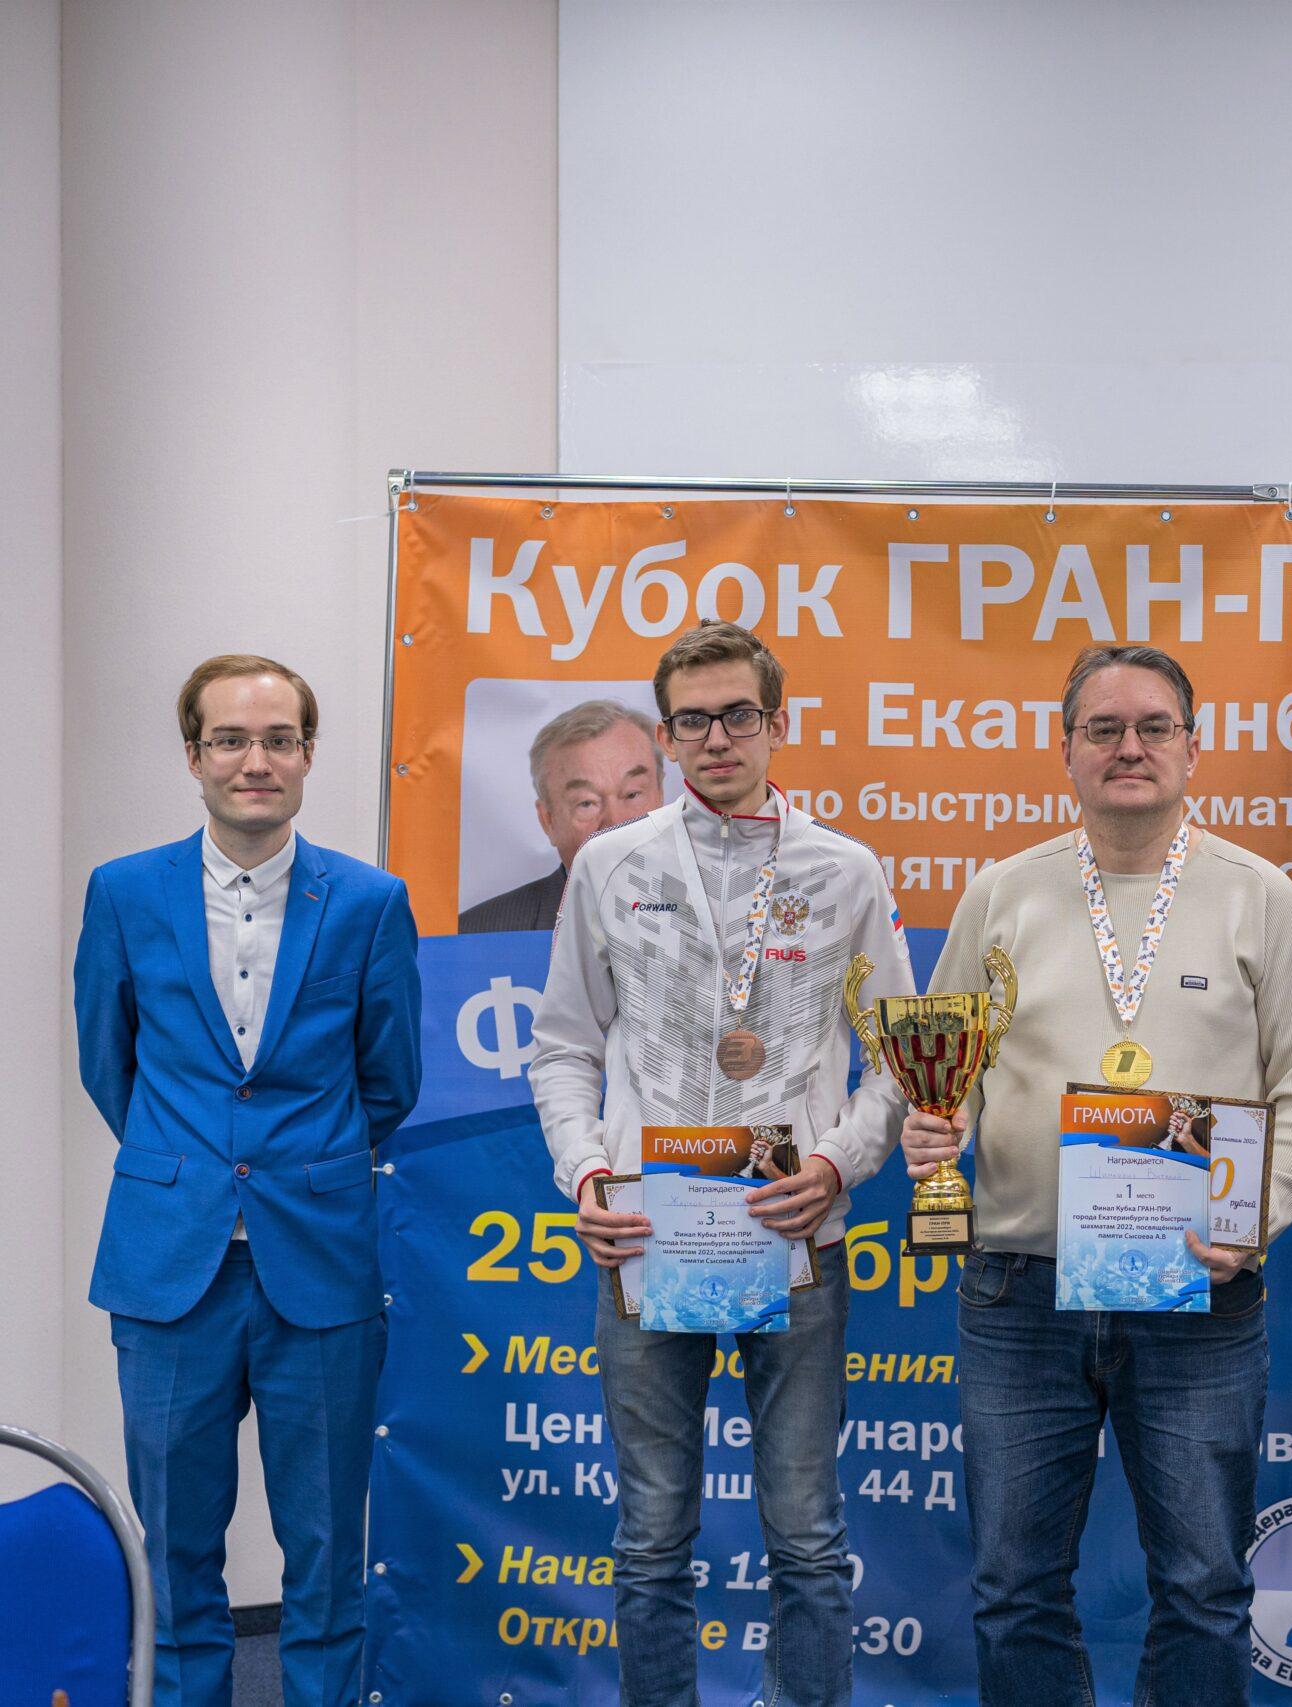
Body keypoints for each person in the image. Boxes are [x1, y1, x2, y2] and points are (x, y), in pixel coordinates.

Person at [898, 643, 1292, 1707]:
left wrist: (1254, 1225)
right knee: (1013, 1589)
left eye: (1152, 727)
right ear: (1067, 751)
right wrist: (935, 1128)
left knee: (1203, 1587)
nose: (1128, 747)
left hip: (1198, 1291)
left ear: (1195, 745)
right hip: (1022, 1292)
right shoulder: (1003, 892)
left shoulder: (1260, 896)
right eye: (1103, 729)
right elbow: (947, 1068)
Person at [529, 620, 913, 1707]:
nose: (716, 737)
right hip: (646, 1236)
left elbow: (898, 1056)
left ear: (776, 723)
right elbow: (562, 1047)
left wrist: (837, 1163)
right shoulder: (610, 865)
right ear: (665, 736)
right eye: (691, 720)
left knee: (806, 1534)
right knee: (651, 1534)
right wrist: (587, 1176)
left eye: (738, 714)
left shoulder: (843, 870)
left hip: (796, 1234)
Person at [74, 653, 422, 1707]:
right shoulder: (125, 893)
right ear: (194, 756)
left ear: (308, 755)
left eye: (278, 739)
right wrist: (189, 1166)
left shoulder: (368, 903)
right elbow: (108, 1062)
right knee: (176, 1549)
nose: (255, 761)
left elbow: (390, 1078)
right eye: (230, 739)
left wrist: (297, 1168)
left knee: (326, 1554)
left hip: (319, 1263)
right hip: (169, 1265)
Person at [459, 698, 665, 931]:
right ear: (548, 821)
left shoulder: (701, 910)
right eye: (586, 803)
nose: (616, 824)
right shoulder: (478, 934)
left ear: (660, 795)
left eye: (632, 794)